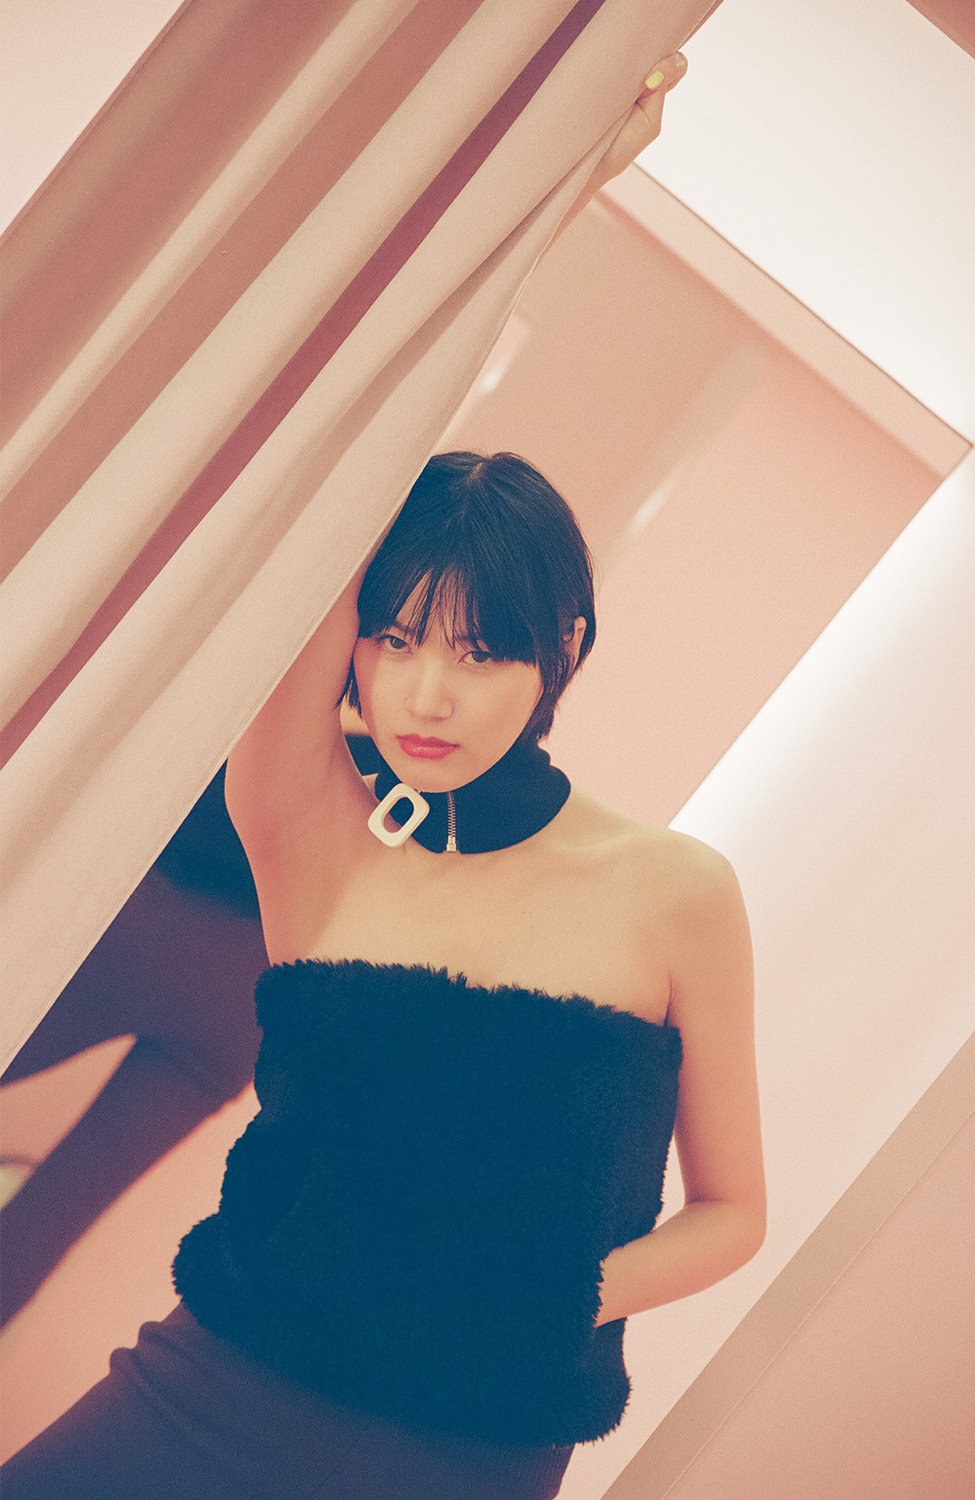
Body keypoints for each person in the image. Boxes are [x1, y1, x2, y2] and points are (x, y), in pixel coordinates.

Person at [1, 54, 765, 1500]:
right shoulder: (310, 829)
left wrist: (553, 1290)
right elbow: (322, 487)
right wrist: (531, 207)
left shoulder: (675, 891)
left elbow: (734, 1211)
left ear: (561, 653)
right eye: (397, 639)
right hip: (210, 1394)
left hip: (474, 1457)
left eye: (482, 651)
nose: (427, 693)